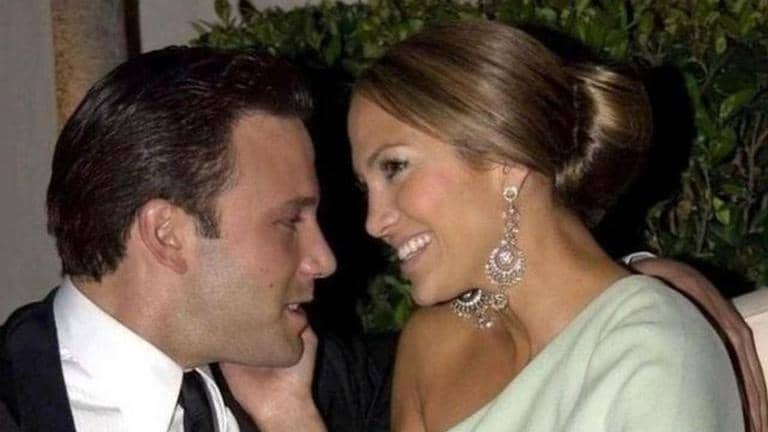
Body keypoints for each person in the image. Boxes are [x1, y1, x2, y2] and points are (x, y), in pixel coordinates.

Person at [345, 20, 745, 431]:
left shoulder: (653, 345)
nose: (374, 222)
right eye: (365, 185)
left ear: (506, 159)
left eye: (394, 167)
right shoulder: (430, 348)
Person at [0, 46, 344, 432]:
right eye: (290, 221)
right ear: (167, 234)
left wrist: (291, 418)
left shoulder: (322, 387)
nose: (323, 260)